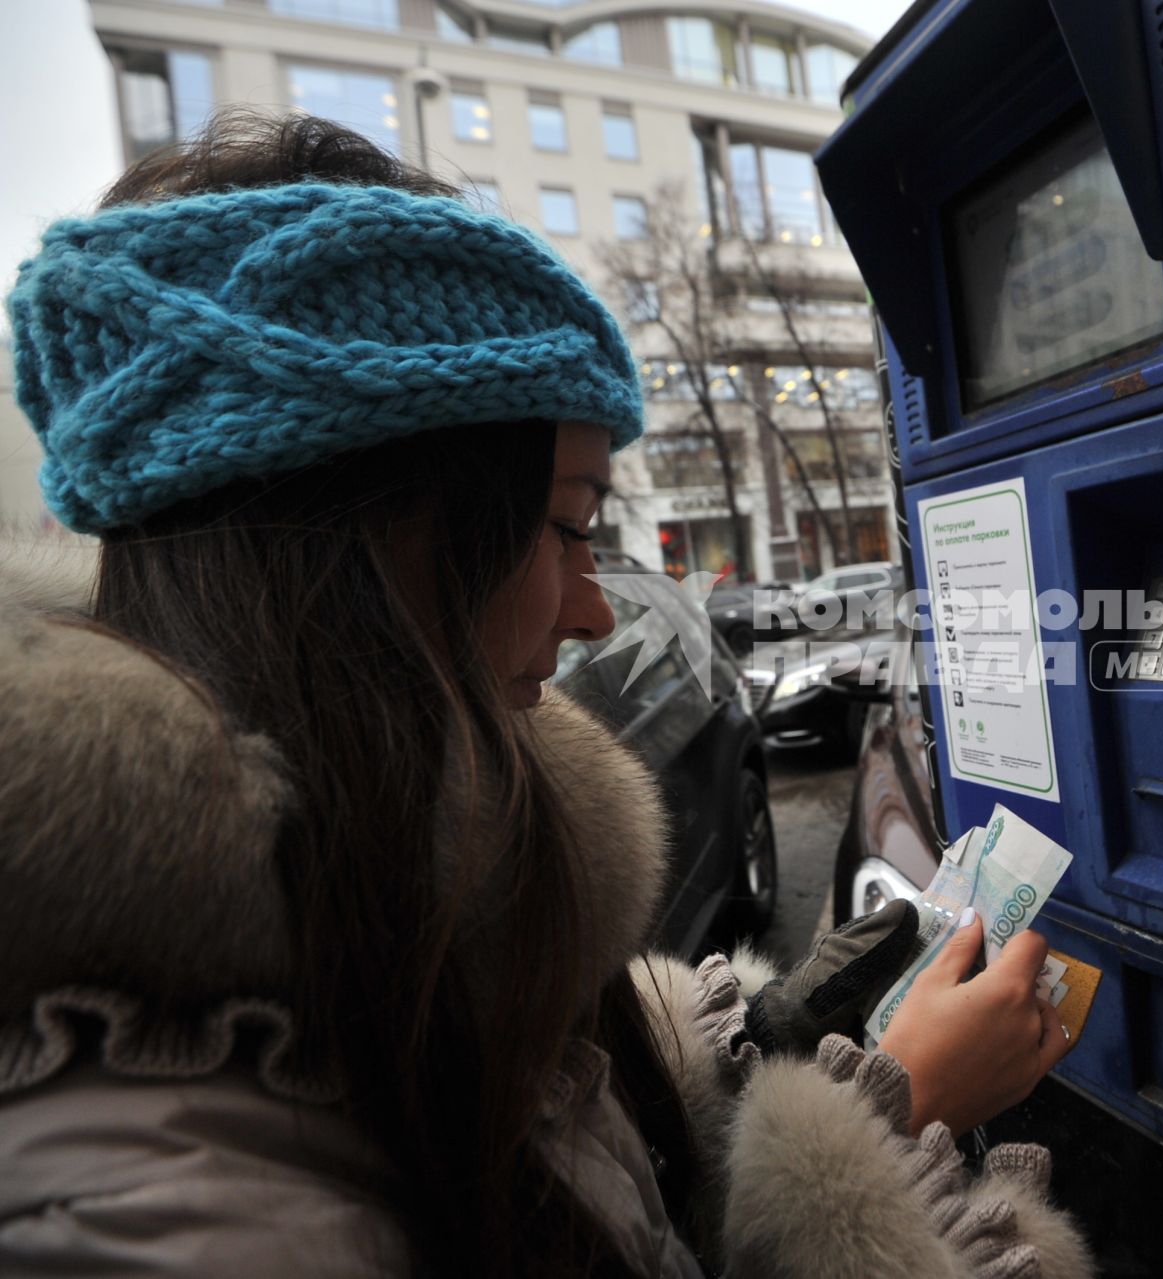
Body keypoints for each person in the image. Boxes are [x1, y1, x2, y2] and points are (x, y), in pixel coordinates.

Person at [0, 110, 1089, 1278]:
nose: (595, 609)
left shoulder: (372, 919)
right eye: (568, 527)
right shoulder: (180, 1220)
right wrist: (877, 1143)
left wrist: (762, 1045)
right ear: (370, 554)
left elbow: (519, 1126)